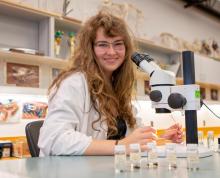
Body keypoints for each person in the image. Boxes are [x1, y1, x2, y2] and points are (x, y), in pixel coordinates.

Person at [38, 11, 183, 156]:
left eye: (118, 44)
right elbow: (53, 140)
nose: (112, 51)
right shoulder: (74, 83)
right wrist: (120, 146)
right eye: (103, 45)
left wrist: (158, 138)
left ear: (126, 49)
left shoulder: (117, 87)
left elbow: (129, 139)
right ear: (91, 49)